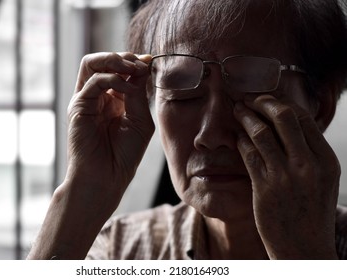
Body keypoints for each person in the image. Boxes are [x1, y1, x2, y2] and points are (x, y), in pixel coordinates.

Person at [27, 0, 347, 259]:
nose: (209, 135)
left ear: (320, 105)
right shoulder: (122, 251)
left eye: (251, 86)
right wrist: (84, 190)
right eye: (183, 90)